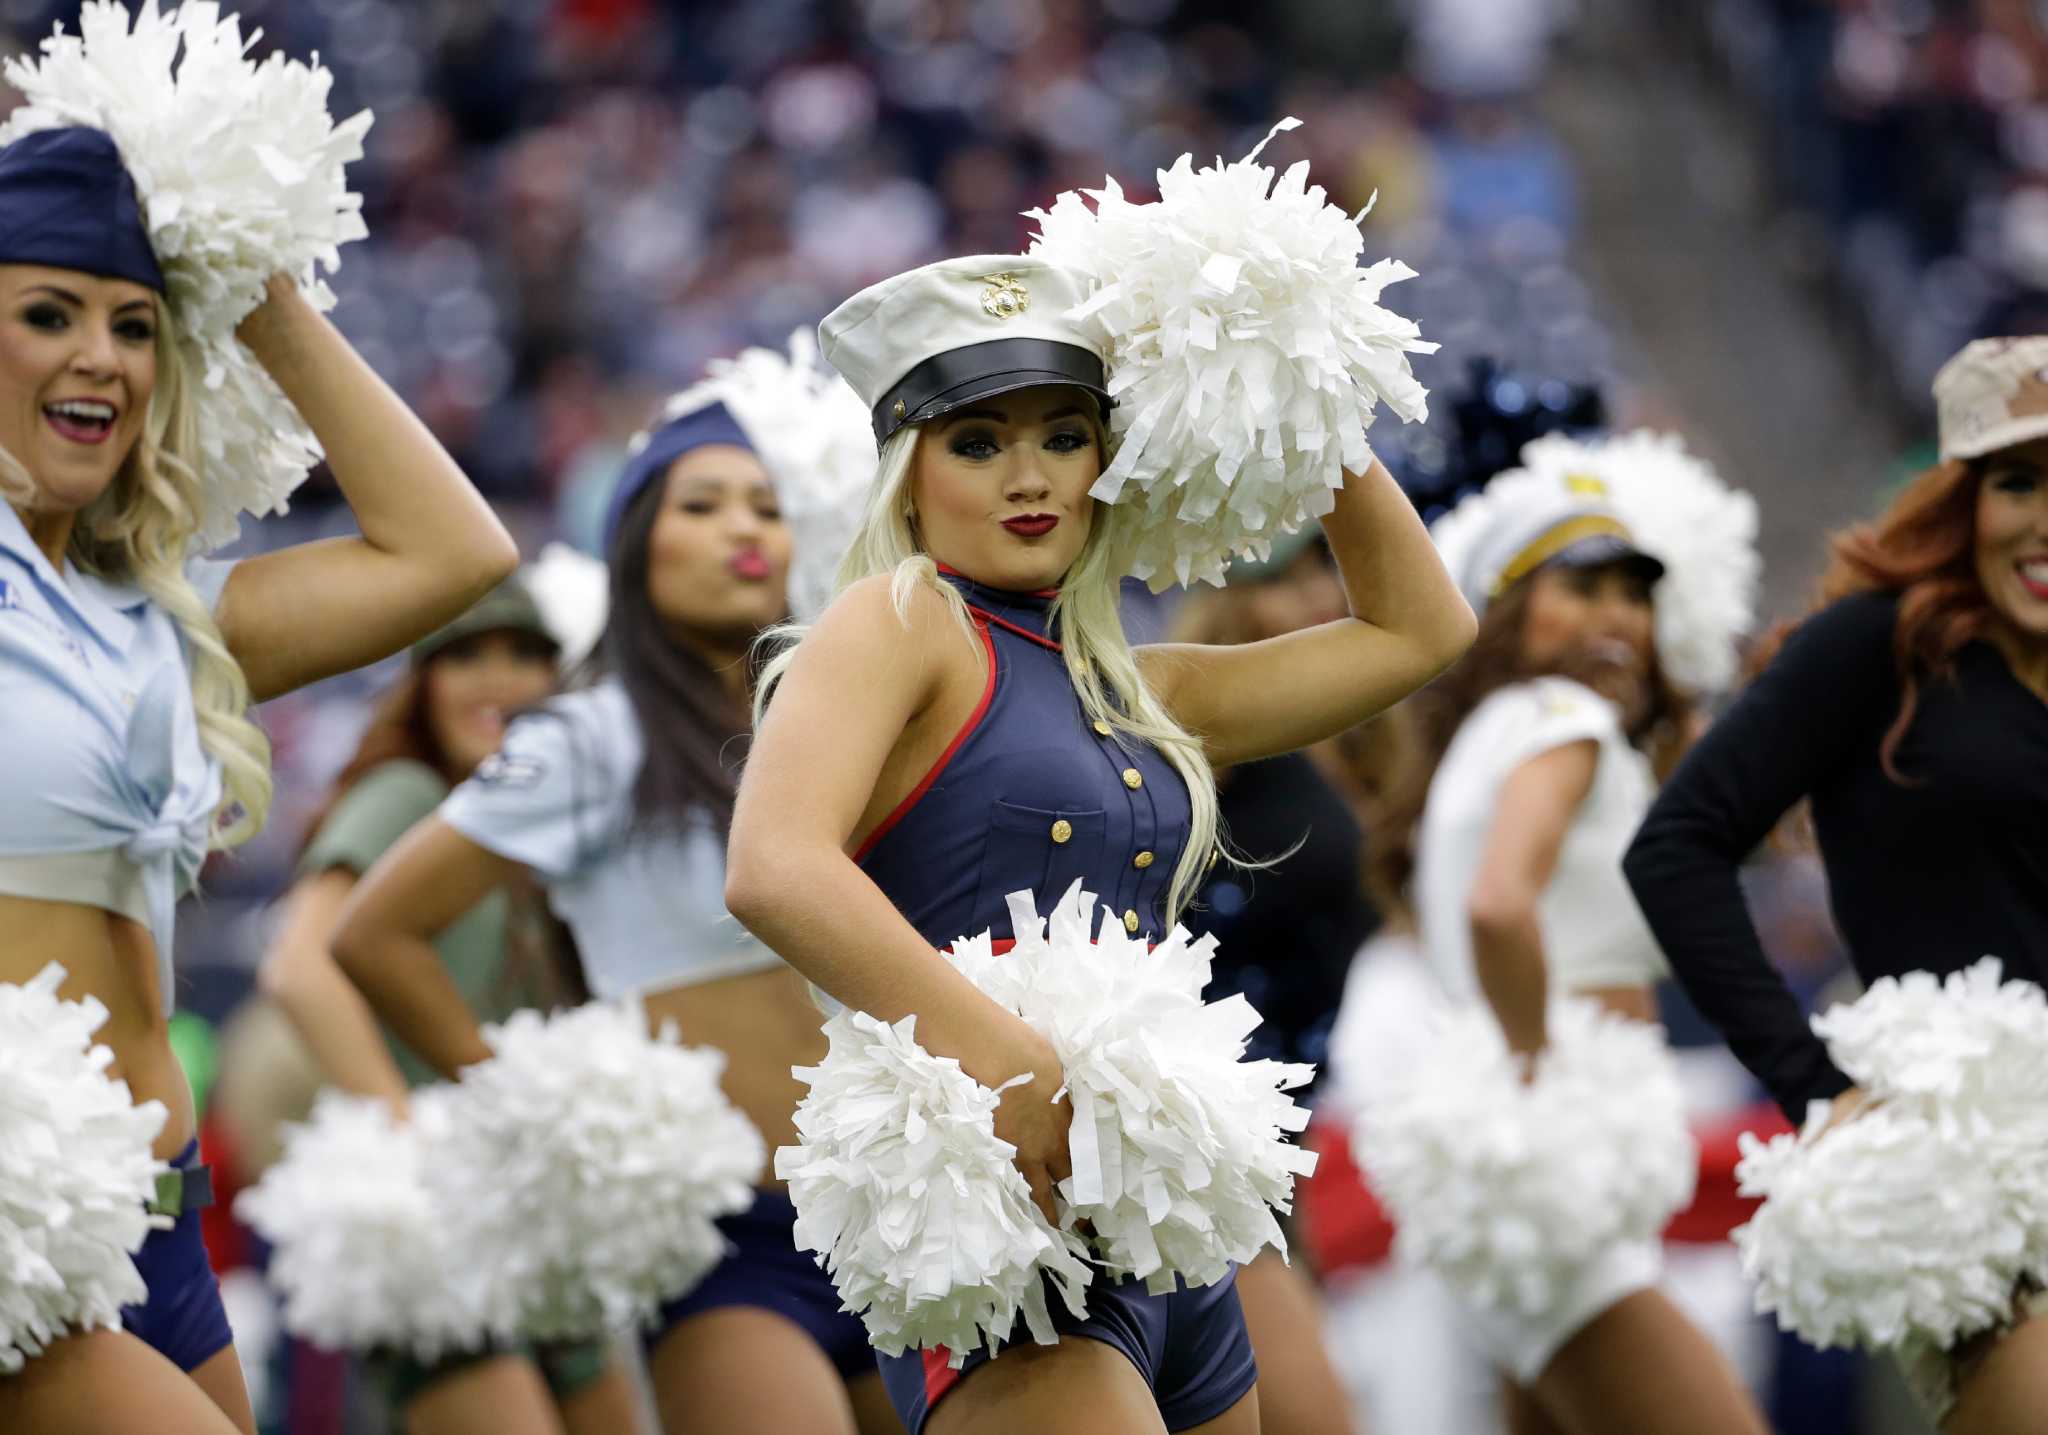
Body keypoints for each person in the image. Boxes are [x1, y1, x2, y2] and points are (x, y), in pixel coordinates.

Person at [724, 252, 1475, 1435]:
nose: (1028, 477)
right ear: (906, 476)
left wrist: (1293, 392)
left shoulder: (1140, 684)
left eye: (1064, 436)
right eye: (976, 443)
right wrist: (1017, 1073)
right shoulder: (899, 620)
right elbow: (773, 866)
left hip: (1161, 1223)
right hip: (1000, 1220)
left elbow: (1419, 628)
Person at [0, 107, 515, 1435]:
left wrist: (254, 285)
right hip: (18, 1232)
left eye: (132, 324)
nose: (99, 357)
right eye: (49, 312)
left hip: (155, 1216)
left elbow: (451, 554)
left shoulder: (163, 616)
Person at [331, 381, 902, 1435]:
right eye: (700, 505)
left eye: (765, 508)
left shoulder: (835, 723)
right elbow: (372, 933)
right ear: (635, 545)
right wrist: (531, 1114)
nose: (742, 527)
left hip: (894, 1212)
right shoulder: (585, 737)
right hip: (727, 1245)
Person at [1624, 336, 2048, 1433]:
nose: (2043, 519)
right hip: (1970, 1167)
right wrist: (1816, 1084)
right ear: (1957, 499)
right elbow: (1674, 847)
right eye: (2016, 481)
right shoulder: (1877, 646)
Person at [1363, 456, 1769, 1435]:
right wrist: (1537, 1067)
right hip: (1554, 1173)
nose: (1616, 615)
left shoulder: (1484, 737)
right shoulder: (1563, 718)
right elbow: (1499, 907)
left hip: (1526, 1187)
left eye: (1633, 591)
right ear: (1507, 611)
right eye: (1579, 587)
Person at [258, 577, 642, 1435]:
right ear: (421, 685)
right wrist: (400, 1128)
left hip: (532, 1211)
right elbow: (297, 964)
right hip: (432, 1220)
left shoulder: (538, 830)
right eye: (464, 655)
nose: (496, 681)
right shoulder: (408, 797)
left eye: (523, 655)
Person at [1171, 530, 1374, 1435]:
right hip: (1215, 1142)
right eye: (1283, 577)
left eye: (1322, 571)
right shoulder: (1200, 732)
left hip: (1326, 1131)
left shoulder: (1369, 738)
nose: (1312, 597)